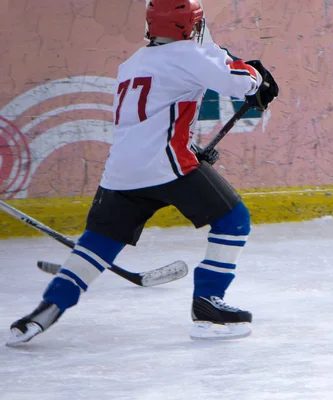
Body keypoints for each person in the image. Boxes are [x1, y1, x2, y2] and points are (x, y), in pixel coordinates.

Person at [6, 0, 278, 346]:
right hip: (168, 165)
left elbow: (153, 116)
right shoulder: (190, 55)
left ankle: (44, 312)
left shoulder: (131, 63)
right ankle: (209, 303)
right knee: (233, 220)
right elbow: (242, 82)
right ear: (189, 25)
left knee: (98, 245)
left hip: (121, 171)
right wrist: (255, 75)